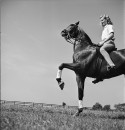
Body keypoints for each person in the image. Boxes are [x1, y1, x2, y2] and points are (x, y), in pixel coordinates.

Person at [93, 14, 116, 83]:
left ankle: (111, 64)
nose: (102, 21)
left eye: (103, 20)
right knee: (96, 54)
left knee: (102, 50)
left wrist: (103, 42)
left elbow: (112, 34)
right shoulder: (104, 29)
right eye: (101, 20)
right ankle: (99, 76)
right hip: (105, 43)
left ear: (106, 20)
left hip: (109, 43)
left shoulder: (109, 26)